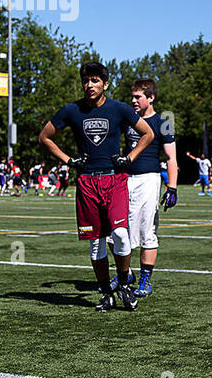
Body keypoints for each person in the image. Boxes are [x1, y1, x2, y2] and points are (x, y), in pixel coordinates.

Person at [38, 62, 155, 312]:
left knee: (121, 235)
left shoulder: (119, 108)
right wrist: (69, 160)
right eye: (86, 81)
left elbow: (148, 134)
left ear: (105, 84)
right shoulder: (72, 110)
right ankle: (105, 292)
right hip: (87, 182)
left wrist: (130, 158)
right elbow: (44, 137)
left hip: (115, 180)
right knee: (96, 243)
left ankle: (123, 282)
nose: (89, 85)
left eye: (95, 80)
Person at [119, 78, 179, 297]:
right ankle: (126, 274)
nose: (133, 101)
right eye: (132, 97)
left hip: (148, 179)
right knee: (115, 230)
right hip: (125, 179)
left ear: (151, 98)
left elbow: (171, 158)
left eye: (138, 97)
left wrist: (171, 187)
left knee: (147, 231)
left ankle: (145, 279)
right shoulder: (127, 120)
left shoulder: (163, 122)